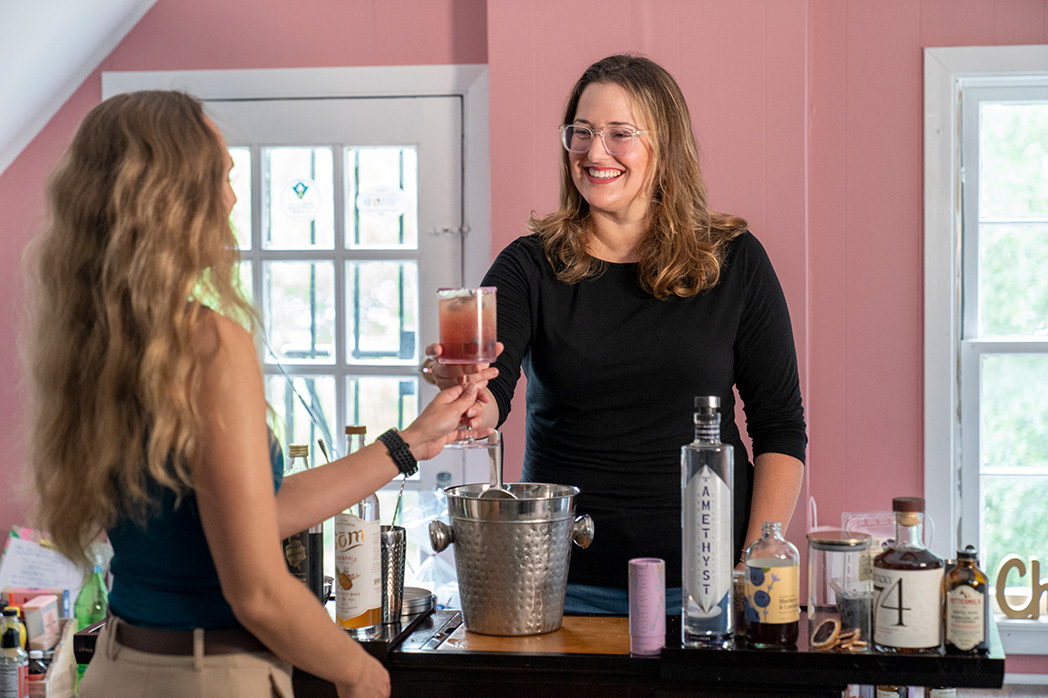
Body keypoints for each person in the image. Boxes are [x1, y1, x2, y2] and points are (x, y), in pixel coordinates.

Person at [23, 90, 491, 698]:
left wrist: (410, 443)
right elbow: (258, 592)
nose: (232, 199)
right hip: (207, 676)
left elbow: (252, 515)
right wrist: (360, 673)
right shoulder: (210, 343)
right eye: (221, 177)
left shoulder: (100, 343)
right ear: (173, 197)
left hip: (118, 667)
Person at [424, 54, 806, 614]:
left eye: (619, 134)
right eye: (581, 132)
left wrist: (755, 560)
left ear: (666, 144)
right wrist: (461, 391)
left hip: (708, 583)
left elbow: (780, 428)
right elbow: (489, 401)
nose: (594, 152)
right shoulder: (528, 266)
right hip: (555, 581)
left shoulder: (735, 262)